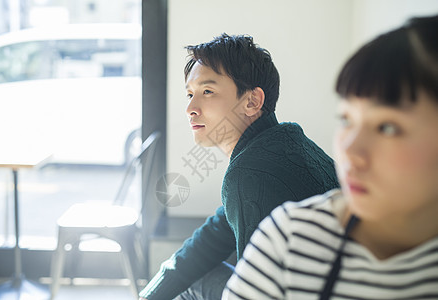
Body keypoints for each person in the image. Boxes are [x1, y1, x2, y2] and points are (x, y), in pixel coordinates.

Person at [223, 15, 438, 300]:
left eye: (388, 127)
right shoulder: (290, 240)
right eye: (346, 119)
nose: (350, 151)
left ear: (254, 100)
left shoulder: (256, 166)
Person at [139, 33, 339, 300]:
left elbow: (256, 294)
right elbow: (213, 237)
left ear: (252, 101)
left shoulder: (250, 173)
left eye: (207, 91)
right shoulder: (287, 142)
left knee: (194, 281)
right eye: (190, 93)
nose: (190, 108)